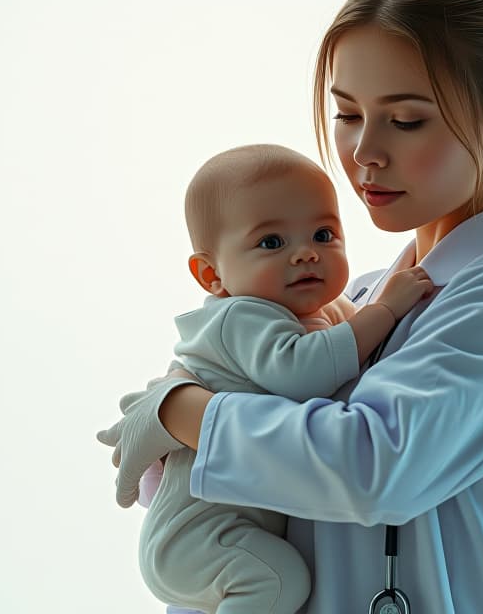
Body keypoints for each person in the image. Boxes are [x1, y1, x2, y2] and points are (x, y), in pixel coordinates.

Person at [98, 0, 483, 612]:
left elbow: (371, 467)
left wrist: (180, 410)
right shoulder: (359, 298)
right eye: (347, 113)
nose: (365, 152)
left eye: (406, 119)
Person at [133, 144, 433, 614]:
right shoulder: (241, 316)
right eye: (273, 243)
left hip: (231, 527)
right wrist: (386, 310)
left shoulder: (324, 309)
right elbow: (304, 372)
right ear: (212, 274)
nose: (306, 255)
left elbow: (354, 349)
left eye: (323, 233)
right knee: (277, 583)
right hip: (196, 536)